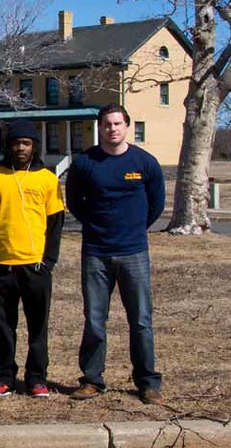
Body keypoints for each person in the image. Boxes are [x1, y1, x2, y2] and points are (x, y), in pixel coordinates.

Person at [65, 103, 165, 404]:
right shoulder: (85, 164)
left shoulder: (145, 163)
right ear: (100, 128)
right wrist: (98, 226)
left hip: (134, 251)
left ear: (127, 126)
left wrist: (133, 228)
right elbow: (75, 202)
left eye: (117, 124)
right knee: (95, 319)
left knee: (141, 320)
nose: (112, 129)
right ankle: (93, 380)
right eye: (107, 124)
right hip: (96, 252)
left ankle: (147, 381)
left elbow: (155, 205)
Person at [0, 120, 64, 398]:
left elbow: (55, 224)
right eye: (16, 143)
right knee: (5, 326)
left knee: (37, 326)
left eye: (26, 143)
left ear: (34, 146)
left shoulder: (48, 179)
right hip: (1, 266)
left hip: (35, 265)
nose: (20, 148)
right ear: (8, 146)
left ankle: (37, 377)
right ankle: (4, 375)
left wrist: (48, 261)